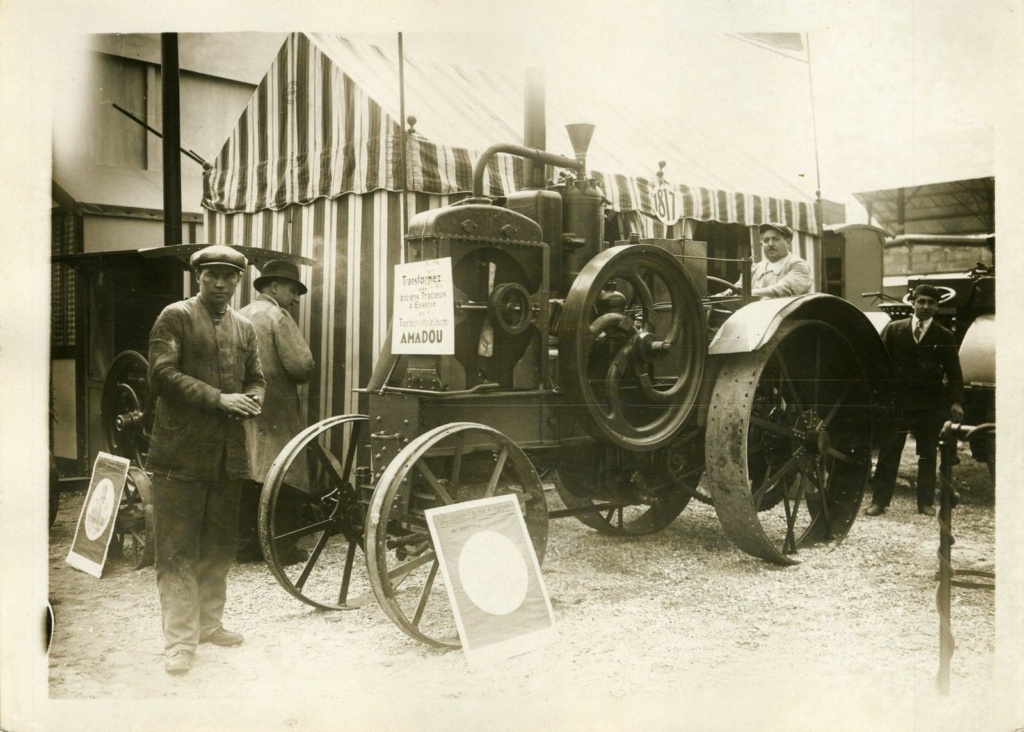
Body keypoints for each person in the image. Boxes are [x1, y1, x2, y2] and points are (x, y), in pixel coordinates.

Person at [147, 244, 265, 675]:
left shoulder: (244, 327)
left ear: (239, 281)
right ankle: (179, 641)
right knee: (177, 549)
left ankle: (210, 624)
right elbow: (161, 374)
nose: (220, 284)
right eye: (212, 275)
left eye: (229, 277)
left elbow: (257, 379)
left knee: (218, 544)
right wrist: (219, 399)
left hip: (228, 456)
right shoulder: (175, 316)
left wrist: (253, 399)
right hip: (179, 455)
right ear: (198, 278)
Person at [236, 259, 314, 565]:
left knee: (250, 475)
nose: (296, 299)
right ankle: (283, 549)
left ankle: (246, 547)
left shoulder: (237, 315)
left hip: (245, 408)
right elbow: (302, 366)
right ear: (273, 287)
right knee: (286, 472)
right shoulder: (277, 316)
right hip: (276, 411)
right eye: (293, 290)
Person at [865, 283, 965, 517]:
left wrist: (957, 401)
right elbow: (877, 366)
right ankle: (879, 502)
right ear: (913, 303)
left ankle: (925, 503)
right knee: (890, 451)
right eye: (921, 301)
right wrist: (878, 397)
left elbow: (954, 373)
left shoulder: (944, 335)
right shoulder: (893, 329)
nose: (926, 307)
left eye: (931, 303)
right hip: (898, 404)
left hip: (929, 405)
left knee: (926, 453)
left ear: (937, 307)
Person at [732, 222, 813, 299]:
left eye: (776, 239)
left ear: (788, 242)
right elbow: (738, 287)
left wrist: (747, 294)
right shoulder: (756, 268)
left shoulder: (798, 265)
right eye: (766, 240)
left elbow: (784, 289)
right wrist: (724, 294)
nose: (770, 244)